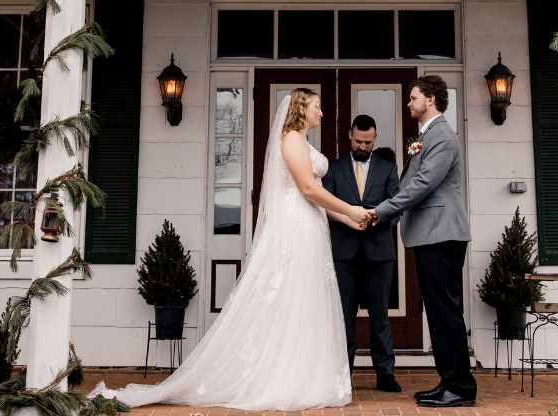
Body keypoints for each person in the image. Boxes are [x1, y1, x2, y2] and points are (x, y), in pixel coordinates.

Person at [95, 88, 371, 411]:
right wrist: (351, 209)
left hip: (310, 227)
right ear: (301, 109)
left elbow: (316, 193)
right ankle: (285, 377)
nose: (321, 112)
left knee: (304, 300)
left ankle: (303, 372)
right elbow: (308, 189)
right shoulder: (293, 140)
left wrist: (347, 219)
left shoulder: (303, 141)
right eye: (317, 106)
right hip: (296, 231)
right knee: (291, 299)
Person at [370, 75, 476, 408]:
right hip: (431, 233)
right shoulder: (428, 135)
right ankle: (450, 380)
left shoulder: (442, 135)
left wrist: (382, 211)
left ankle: (460, 386)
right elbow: (412, 182)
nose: (409, 103)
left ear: (430, 99)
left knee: (444, 310)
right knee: (439, 309)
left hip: (442, 233)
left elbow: (424, 183)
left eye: (413, 98)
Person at [322, 114, 402, 392]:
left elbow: (396, 205)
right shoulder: (333, 168)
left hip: (379, 253)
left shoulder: (388, 168)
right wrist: (348, 216)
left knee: (380, 316)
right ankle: (343, 375)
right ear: (349, 135)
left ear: (375, 138)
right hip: (344, 253)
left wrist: (377, 218)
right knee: (344, 317)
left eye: (368, 142)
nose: (363, 147)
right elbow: (325, 207)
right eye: (358, 141)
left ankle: (385, 374)